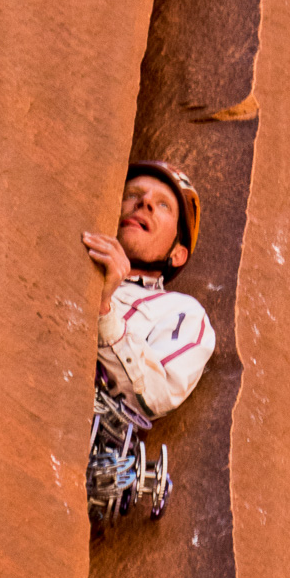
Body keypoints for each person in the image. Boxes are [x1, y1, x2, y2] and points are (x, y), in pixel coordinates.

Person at [82, 162, 216, 420]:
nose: (144, 202)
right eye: (132, 195)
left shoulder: (182, 312)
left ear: (177, 254)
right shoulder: (72, 251)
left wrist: (103, 308)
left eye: (163, 204)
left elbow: (155, 396)